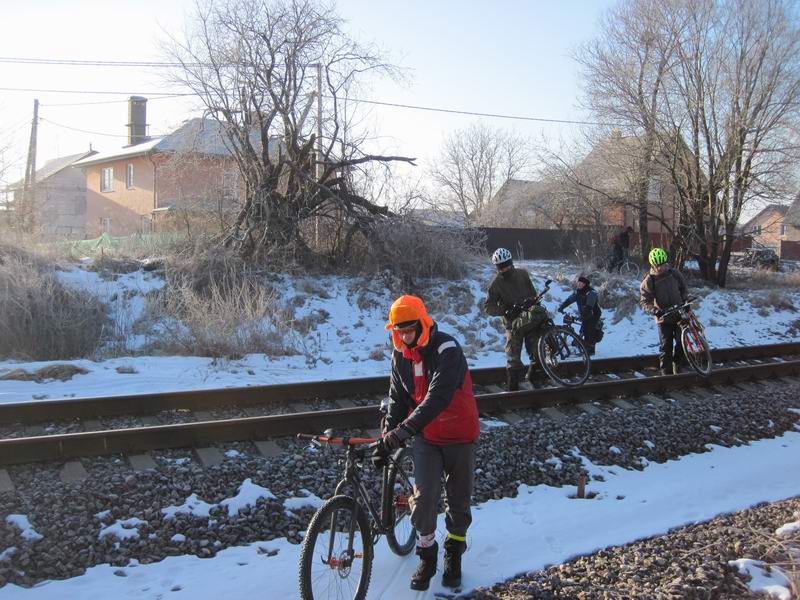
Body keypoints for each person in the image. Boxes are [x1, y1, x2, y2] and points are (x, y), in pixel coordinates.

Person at [375, 294, 480, 591]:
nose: (405, 336)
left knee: (458, 503)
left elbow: (438, 398)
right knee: (423, 500)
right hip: (426, 438)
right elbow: (398, 399)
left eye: (409, 330)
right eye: (400, 331)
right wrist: (388, 439)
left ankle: (454, 555)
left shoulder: (448, 349)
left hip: (460, 435)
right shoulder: (400, 355)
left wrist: (401, 432)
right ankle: (427, 555)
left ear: (422, 323)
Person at [483, 247, 546, 391]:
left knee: (535, 351)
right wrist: (506, 309)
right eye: (501, 268)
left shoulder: (522, 274)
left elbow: (532, 292)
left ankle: (535, 380)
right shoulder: (495, 284)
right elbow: (488, 307)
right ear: (497, 268)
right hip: (513, 323)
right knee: (513, 357)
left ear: (511, 262)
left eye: (507, 265)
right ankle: (513, 388)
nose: (505, 269)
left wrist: (534, 304)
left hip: (529, 319)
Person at [639, 247, 689, 376]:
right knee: (666, 347)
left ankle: (677, 366)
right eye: (658, 265)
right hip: (664, 318)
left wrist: (685, 302)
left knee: (682, 343)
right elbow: (644, 301)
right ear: (653, 265)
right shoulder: (649, 281)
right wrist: (654, 310)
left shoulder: (674, 273)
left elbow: (683, 288)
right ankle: (665, 374)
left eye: (663, 264)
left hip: (679, 314)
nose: (662, 268)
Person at [557, 275, 602, 355]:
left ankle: (590, 350)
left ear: (585, 285)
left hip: (593, 314)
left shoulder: (591, 293)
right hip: (585, 314)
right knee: (584, 330)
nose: (578, 285)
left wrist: (583, 315)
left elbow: (589, 306)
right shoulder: (578, 292)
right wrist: (562, 307)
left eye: (581, 283)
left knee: (590, 331)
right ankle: (585, 347)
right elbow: (569, 300)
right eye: (578, 283)